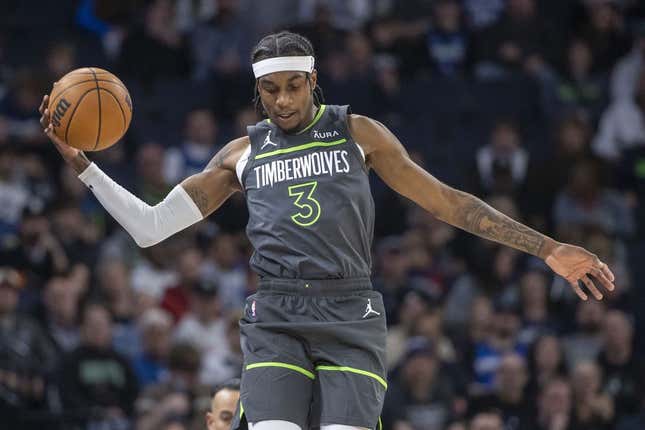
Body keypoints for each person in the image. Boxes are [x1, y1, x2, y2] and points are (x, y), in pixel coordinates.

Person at [39, 30, 616, 430]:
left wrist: (547, 249)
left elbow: (448, 204)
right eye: (271, 89)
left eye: (294, 85)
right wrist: (81, 164)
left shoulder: (358, 133)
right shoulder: (241, 153)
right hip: (276, 316)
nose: (283, 100)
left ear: (313, 81)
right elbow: (151, 227)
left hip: (350, 312)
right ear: (257, 89)